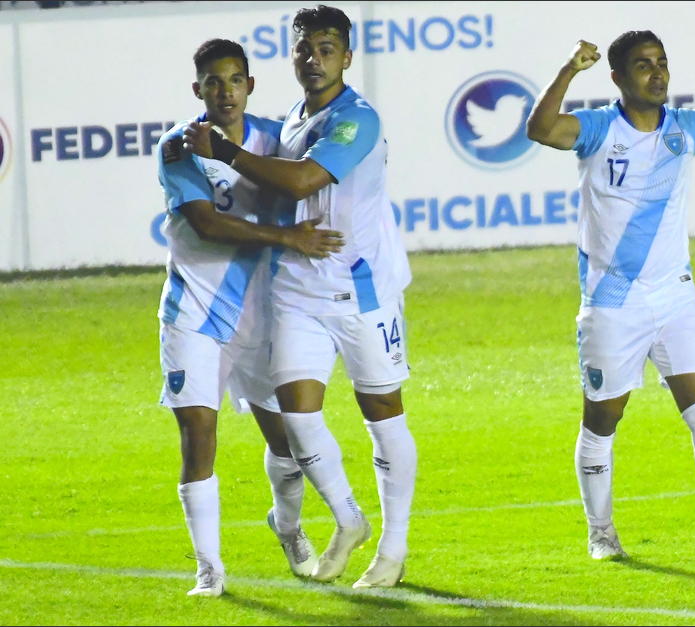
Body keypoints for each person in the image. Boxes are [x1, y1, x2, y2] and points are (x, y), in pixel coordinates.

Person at [526, 31, 695, 563]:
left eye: (663, 64)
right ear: (618, 78)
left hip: (676, 298)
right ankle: (601, 533)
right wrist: (568, 70)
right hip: (612, 305)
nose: (657, 74)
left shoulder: (688, 127)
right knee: (602, 422)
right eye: (644, 66)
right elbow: (541, 129)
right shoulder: (599, 129)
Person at [183, 5, 415, 589]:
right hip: (298, 287)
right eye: (305, 48)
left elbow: (305, 180)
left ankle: (393, 549)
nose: (315, 58)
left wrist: (227, 153)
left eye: (328, 47)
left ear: (348, 56)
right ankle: (349, 520)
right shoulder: (289, 118)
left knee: (383, 414)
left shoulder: (357, 118)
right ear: (290, 55)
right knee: (296, 414)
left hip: (361, 290)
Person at [156, 38, 345, 596]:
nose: (225, 91)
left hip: (263, 311)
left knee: (286, 441)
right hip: (195, 310)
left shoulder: (274, 139)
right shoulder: (179, 146)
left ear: (250, 85)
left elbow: (305, 184)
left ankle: (287, 526)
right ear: (198, 91)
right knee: (198, 431)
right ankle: (209, 570)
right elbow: (206, 225)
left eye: (234, 79)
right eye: (213, 82)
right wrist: (288, 237)